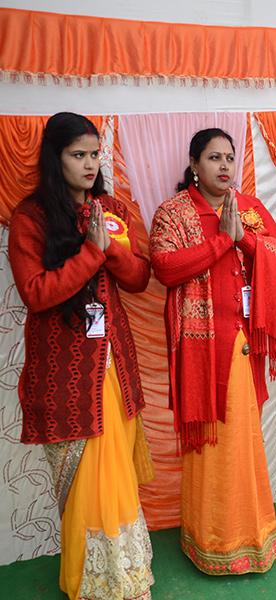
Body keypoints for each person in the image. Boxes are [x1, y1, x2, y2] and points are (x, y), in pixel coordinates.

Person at [8, 112, 154, 599]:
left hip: (114, 365)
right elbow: (35, 292)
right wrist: (90, 253)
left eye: (95, 154)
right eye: (78, 155)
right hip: (63, 374)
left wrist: (108, 248)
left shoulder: (110, 207)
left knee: (114, 479)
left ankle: (124, 581)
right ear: (55, 158)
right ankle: (89, 584)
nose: (90, 164)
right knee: (84, 486)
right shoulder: (31, 218)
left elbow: (137, 279)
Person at [150, 128, 276, 574]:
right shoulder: (172, 213)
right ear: (194, 164)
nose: (225, 166)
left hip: (242, 346)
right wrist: (220, 242)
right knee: (211, 448)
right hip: (201, 350)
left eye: (230, 158)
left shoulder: (248, 209)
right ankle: (208, 541)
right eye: (214, 158)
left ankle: (250, 537)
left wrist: (244, 239)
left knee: (241, 445)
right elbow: (166, 267)